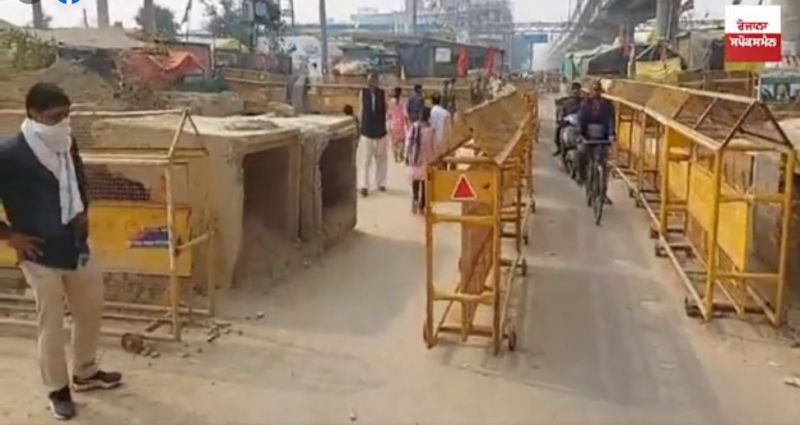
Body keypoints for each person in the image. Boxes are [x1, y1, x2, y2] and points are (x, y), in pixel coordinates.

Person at [0, 83, 122, 421]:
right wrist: (11, 236)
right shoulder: (10, 154)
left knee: (90, 308)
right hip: (40, 253)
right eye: (55, 117)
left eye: (67, 115)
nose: (63, 122)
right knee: (51, 324)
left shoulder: (67, 142)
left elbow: (79, 180)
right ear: (34, 115)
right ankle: (57, 389)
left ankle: (85, 371)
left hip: (76, 244)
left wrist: (84, 212)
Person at [577, 81, 615, 204]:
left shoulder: (607, 106)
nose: (595, 93)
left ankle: (603, 193)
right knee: (581, 154)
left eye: (598, 90)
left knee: (603, 166)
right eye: (594, 90)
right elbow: (581, 120)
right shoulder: (585, 105)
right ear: (590, 92)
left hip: (602, 139)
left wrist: (611, 134)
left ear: (600, 92)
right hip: (588, 137)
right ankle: (582, 178)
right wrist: (580, 134)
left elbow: (610, 121)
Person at [358, 73, 389, 197]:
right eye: (370, 80)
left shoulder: (382, 93)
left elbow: (386, 109)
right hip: (367, 131)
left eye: (374, 80)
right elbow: (361, 110)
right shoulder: (363, 93)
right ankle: (364, 186)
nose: (372, 82)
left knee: (381, 160)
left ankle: (381, 183)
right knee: (365, 160)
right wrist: (361, 126)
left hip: (380, 131)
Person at [406, 107, 435, 215]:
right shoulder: (431, 130)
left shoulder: (414, 127)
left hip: (415, 158)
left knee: (415, 181)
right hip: (427, 160)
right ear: (429, 117)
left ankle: (415, 199)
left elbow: (408, 142)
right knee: (424, 183)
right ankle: (422, 206)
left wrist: (407, 155)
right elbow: (434, 146)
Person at [553, 82, 584, 156]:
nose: (576, 92)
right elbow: (560, 111)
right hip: (568, 122)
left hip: (581, 122)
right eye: (574, 90)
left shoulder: (584, 101)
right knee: (559, 130)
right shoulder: (565, 101)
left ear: (580, 91)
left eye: (578, 90)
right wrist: (561, 119)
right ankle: (560, 148)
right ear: (571, 91)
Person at [387, 87, 408, 163]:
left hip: (393, 123)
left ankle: (395, 156)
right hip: (401, 123)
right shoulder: (403, 102)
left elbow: (389, 113)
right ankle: (401, 155)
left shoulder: (391, 101)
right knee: (402, 140)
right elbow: (405, 113)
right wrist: (407, 123)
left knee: (394, 141)